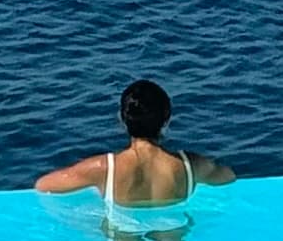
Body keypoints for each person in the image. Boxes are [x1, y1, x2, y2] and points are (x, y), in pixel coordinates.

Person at [34, 78, 234, 211]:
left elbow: (43, 185)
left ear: (122, 120)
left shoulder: (104, 169)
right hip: (172, 224)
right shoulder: (191, 166)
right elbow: (228, 177)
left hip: (124, 225)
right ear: (167, 121)